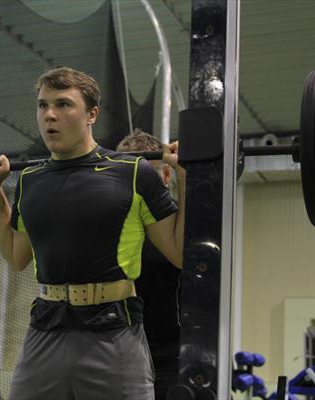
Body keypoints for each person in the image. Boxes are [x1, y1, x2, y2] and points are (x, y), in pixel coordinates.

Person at [0, 67, 185, 400]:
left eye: (63, 104)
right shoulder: (31, 180)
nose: (50, 115)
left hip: (113, 333)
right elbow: (16, 256)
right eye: (43, 105)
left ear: (91, 114)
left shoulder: (133, 173)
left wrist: (186, 177)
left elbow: (178, 252)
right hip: (45, 328)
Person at [117, 129, 182, 400]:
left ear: (166, 175)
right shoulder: (110, 222)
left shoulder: (179, 222)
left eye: (145, 178)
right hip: (117, 353)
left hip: (170, 357)